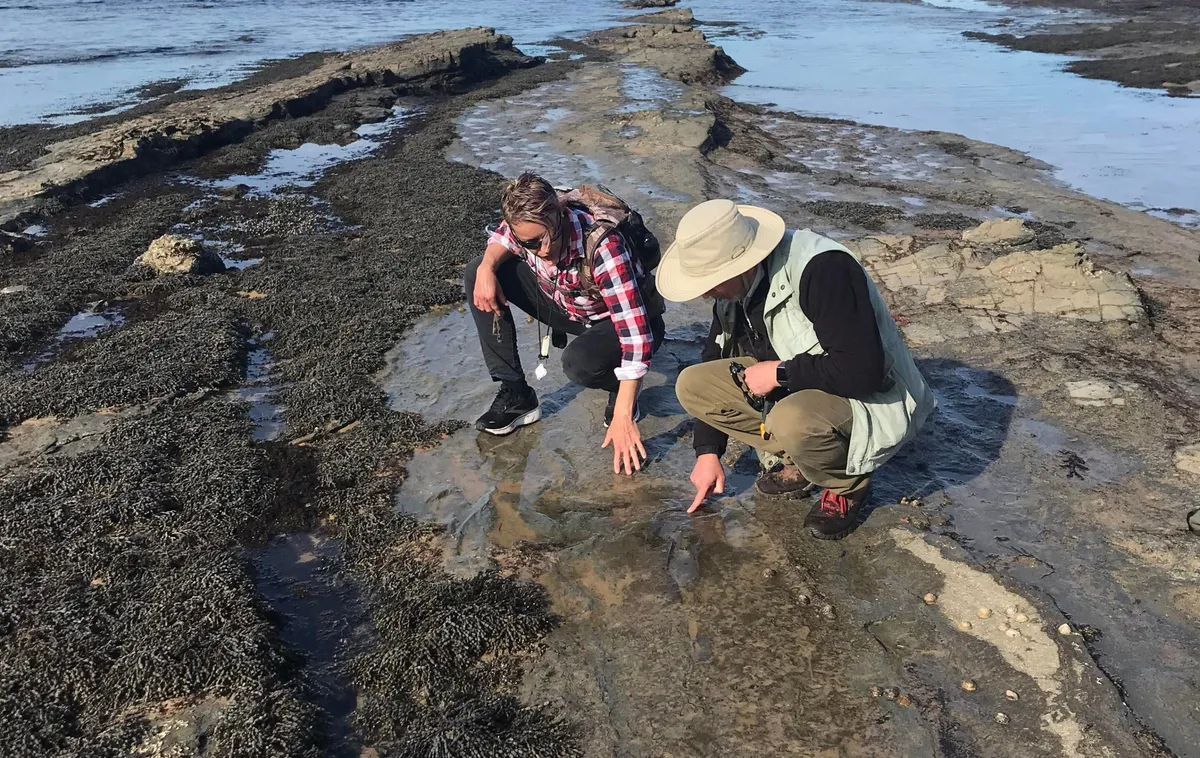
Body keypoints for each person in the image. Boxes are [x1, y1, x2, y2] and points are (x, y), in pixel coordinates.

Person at [656, 199, 936, 539]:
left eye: (710, 285)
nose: (705, 295)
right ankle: (801, 459)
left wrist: (779, 374)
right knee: (693, 385)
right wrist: (708, 452)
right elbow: (712, 357)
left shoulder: (823, 269)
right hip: (803, 382)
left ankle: (847, 483)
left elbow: (863, 372)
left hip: (872, 396)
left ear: (740, 265)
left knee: (790, 420)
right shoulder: (732, 291)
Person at [465, 172, 665, 475]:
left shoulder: (603, 245)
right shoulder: (524, 226)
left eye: (550, 234)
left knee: (578, 364)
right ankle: (517, 395)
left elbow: (635, 337)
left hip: (623, 321)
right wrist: (487, 266)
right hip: (569, 307)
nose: (544, 249)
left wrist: (624, 413)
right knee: (476, 273)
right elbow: (502, 238)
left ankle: (621, 389)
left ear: (560, 213)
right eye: (531, 242)